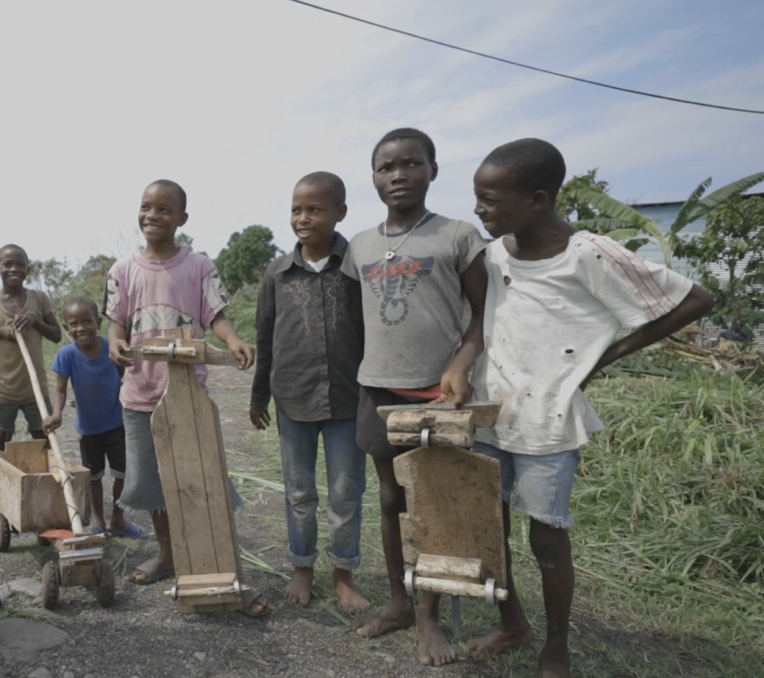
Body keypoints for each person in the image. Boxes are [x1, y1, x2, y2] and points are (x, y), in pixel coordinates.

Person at [441, 138, 711, 678]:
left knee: (546, 534)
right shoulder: (495, 255)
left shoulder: (588, 254)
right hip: (494, 408)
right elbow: (483, 321)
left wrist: (605, 357)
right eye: (477, 198)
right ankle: (511, 621)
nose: (479, 209)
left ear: (537, 200)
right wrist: (460, 366)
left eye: (490, 199)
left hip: (549, 418)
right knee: (491, 529)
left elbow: (696, 300)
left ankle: (557, 647)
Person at [340, 127, 488, 666]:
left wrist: (460, 364)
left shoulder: (457, 236)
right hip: (378, 389)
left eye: (411, 164)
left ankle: (429, 616)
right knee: (389, 500)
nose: (398, 175)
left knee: (434, 503)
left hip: (436, 394)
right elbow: (358, 322)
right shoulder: (359, 246)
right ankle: (399, 602)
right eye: (386, 167)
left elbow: (483, 317)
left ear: (433, 169)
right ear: (374, 177)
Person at [105, 179, 267, 616]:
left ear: (182, 218)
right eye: (145, 207)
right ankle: (168, 554)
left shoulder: (198, 266)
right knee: (156, 484)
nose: (152, 216)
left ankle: (211, 555)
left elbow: (216, 316)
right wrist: (114, 343)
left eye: (163, 209)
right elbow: (116, 323)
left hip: (187, 394)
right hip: (139, 396)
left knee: (198, 476)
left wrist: (233, 340)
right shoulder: (123, 270)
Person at [249, 172, 367, 613]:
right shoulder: (277, 273)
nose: (303, 218)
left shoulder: (355, 267)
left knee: (345, 492)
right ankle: (302, 568)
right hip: (293, 399)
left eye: (314, 210)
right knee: (299, 492)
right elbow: (264, 338)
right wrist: (258, 397)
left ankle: (343, 574)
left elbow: (370, 332)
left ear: (340, 213)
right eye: (297, 209)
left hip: (347, 400)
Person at [43, 297, 144, 537]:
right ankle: (100, 521)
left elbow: (122, 377)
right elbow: (60, 389)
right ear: (66, 328)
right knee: (94, 478)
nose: (81, 328)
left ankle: (118, 519)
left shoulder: (111, 347)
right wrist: (56, 413)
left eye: (87, 321)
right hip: (88, 430)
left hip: (117, 424)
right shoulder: (67, 355)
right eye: (74, 324)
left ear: (98, 322)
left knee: (122, 473)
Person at [0, 244, 61, 453]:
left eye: (20, 264)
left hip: (34, 387)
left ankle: (48, 481)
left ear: (28, 269)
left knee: (44, 438)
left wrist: (36, 320)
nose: (14, 269)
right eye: (7, 264)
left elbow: (56, 335)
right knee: (1, 439)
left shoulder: (39, 299)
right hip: (4, 388)